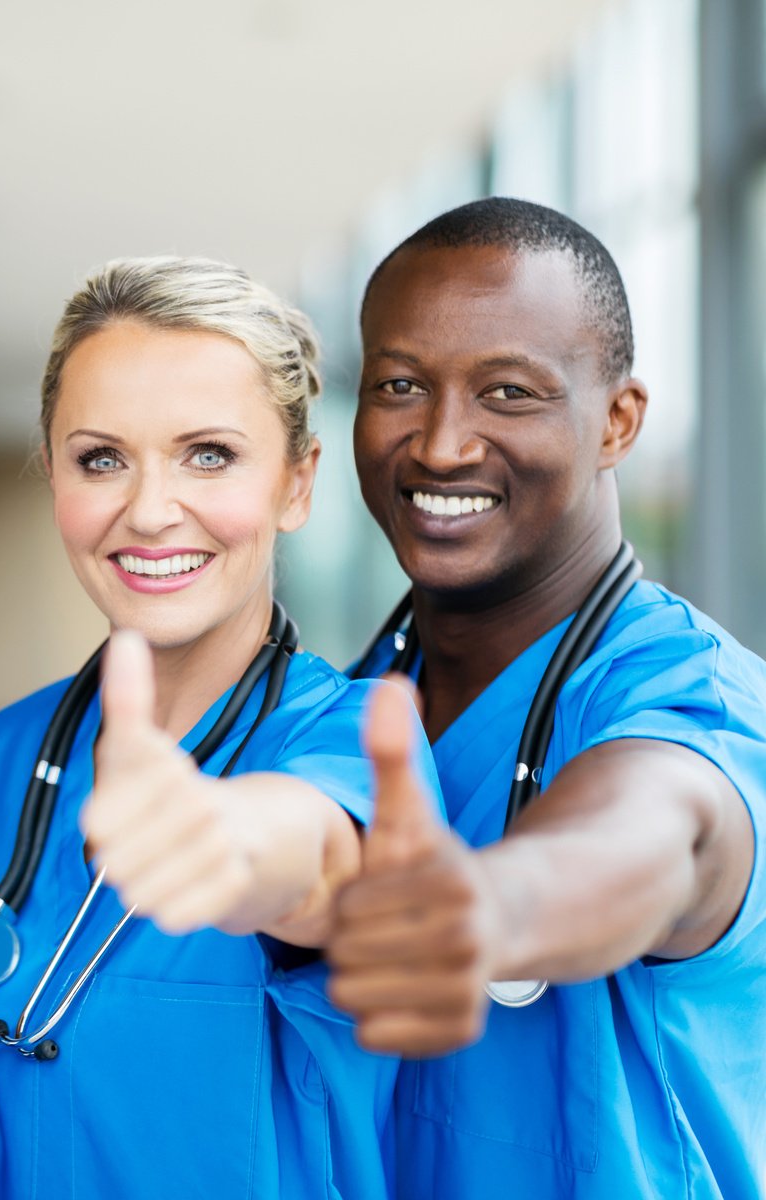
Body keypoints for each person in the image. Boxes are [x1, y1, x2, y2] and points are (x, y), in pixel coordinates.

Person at [0, 256, 439, 1198]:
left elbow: (313, 860)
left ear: (296, 482)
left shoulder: (349, 743)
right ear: (52, 475)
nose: (150, 511)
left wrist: (226, 845)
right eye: (101, 459)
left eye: (209, 454)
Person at [330, 197, 766, 1197]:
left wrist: (493, 905)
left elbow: (655, 829)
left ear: (617, 421)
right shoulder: (347, 710)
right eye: (400, 383)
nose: (441, 444)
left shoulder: (691, 698)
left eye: (509, 393)